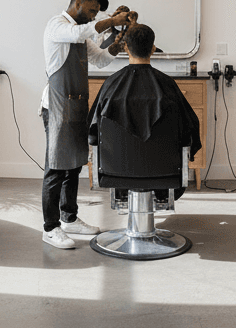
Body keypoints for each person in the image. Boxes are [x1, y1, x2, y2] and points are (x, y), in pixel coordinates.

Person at [39, 0, 133, 249]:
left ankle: (69, 218)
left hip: (77, 104)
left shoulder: (81, 35)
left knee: (74, 165)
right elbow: (79, 32)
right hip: (57, 106)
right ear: (78, 3)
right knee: (56, 167)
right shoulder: (57, 26)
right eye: (92, 11)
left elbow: (100, 60)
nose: (93, 16)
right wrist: (112, 21)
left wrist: (116, 45)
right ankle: (50, 228)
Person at [87, 24, 202, 204]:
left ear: (126, 48)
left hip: (115, 171)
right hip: (166, 172)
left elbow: (93, 132)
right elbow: (190, 128)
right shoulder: (168, 86)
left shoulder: (110, 85)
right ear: (153, 49)